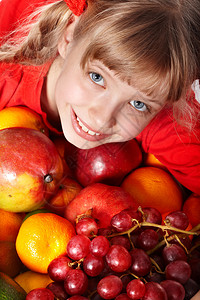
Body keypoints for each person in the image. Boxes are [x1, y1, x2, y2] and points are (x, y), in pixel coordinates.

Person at [0, 0, 200, 298]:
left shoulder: (166, 125)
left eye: (138, 104)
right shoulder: (8, 80)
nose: (100, 117)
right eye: (97, 77)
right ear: (68, 37)